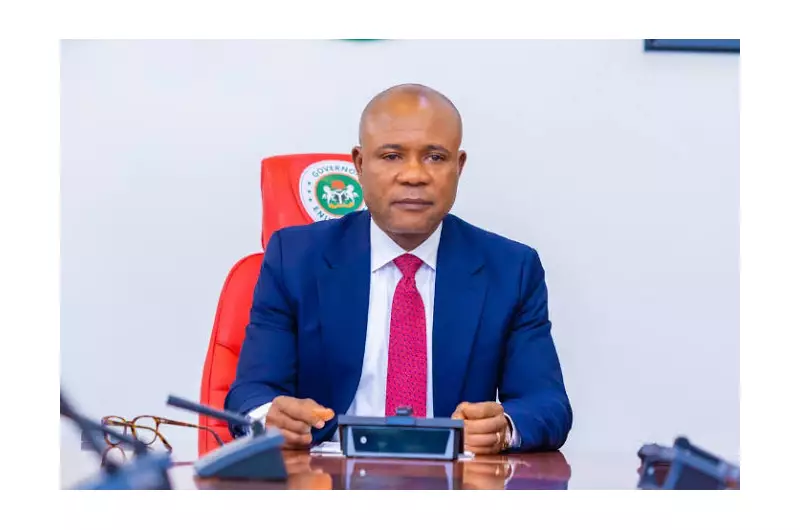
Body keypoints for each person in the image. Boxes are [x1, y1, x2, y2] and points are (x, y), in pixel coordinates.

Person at [225, 84, 572, 454]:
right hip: (326, 475)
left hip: (456, 477)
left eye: (435, 157)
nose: (413, 175)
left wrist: (503, 427)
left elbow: (547, 403)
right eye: (391, 156)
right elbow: (251, 392)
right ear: (359, 164)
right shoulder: (294, 258)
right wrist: (271, 417)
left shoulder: (511, 269)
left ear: (459, 166)